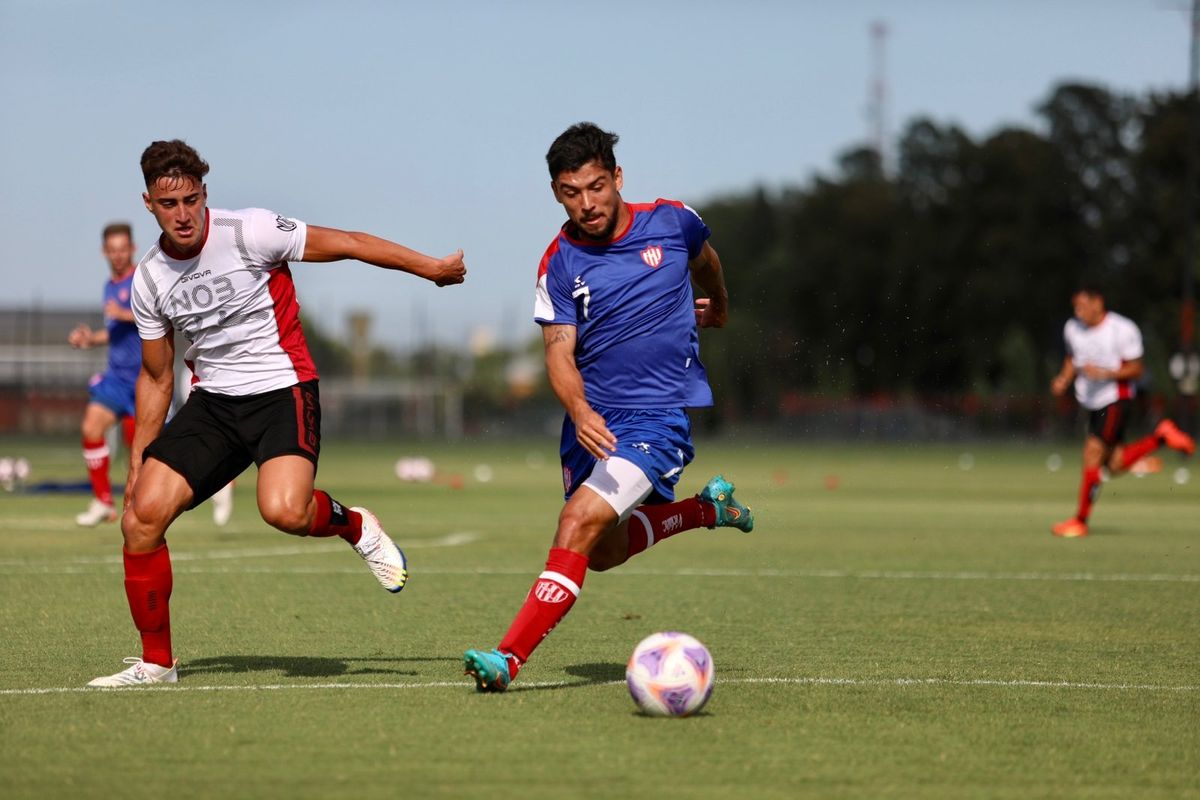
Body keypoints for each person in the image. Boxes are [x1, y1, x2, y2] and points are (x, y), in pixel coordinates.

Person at [88, 139, 467, 687]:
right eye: (169, 204)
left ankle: (354, 524)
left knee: (284, 512)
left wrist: (430, 268)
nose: (183, 214)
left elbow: (351, 243)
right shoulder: (149, 279)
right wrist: (137, 464)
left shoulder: (250, 231)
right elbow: (155, 376)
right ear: (149, 203)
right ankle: (157, 663)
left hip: (282, 390)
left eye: (191, 200)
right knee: (140, 518)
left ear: (204, 194)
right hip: (213, 405)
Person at [463, 122, 754, 692]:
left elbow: (709, 262)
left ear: (617, 177)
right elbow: (558, 353)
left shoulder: (673, 221)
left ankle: (508, 658)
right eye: (572, 193)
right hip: (593, 422)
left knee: (576, 523)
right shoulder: (560, 260)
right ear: (556, 193)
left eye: (597, 186)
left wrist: (718, 306)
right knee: (602, 552)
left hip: (657, 416)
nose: (587, 204)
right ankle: (706, 511)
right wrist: (577, 410)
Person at [1049, 284, 1194, 538]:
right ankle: (1161, 437)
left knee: (1092, 453)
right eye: (1075, 307)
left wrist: (1106, 373)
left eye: (1082, 305)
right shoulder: (1073, 328)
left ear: (1098, 303)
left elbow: (1137, 369)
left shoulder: (1121, 329)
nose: (1078, 311)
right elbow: (1072, 359)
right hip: (1091, 402)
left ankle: (1080, 521)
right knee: (1114, 463)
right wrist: (1063, 378)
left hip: (1116, 398)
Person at [68, 223, 141, 527]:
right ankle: (103, 501)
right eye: (112, 250)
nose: (118, 255)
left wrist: (125, 314)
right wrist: (90, 339)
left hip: (146, 379)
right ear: (104, 252)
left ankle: (219, 483)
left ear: (132, 248)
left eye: (123, 248)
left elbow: (159, 314)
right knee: (91, 426)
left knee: (144, 453)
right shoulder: (109, 285)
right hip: (117, 377)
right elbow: (116, 332)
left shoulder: (142, 278)